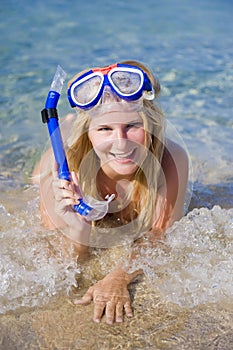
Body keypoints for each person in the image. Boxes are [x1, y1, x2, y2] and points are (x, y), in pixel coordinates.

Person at [33, 60, 189, 324]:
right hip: (59, 160)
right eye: (105, 128)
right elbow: (67, 265)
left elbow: (158, 238)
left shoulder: (171, 159)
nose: (121, 141)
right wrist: (77, 228)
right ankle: (71, 123)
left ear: (150, 126)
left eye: (132, 126)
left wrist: (119, 276)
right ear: (89, 135)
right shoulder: (63, 169)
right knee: (35, 178)